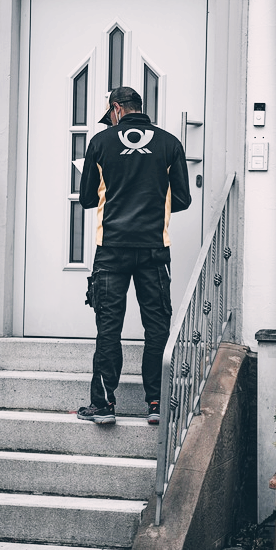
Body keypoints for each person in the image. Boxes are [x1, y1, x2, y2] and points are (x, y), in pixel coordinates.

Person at [77, 87, 191, 425]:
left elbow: (87, 199)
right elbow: (182, 199)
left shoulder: (100, 143)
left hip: (111, 249)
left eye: (110, 115)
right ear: (138, 108)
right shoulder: (170, 143)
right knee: (156, 327)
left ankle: (104, 406)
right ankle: (156, 403)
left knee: (108, 327)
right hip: (154, 248)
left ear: (116, 109)